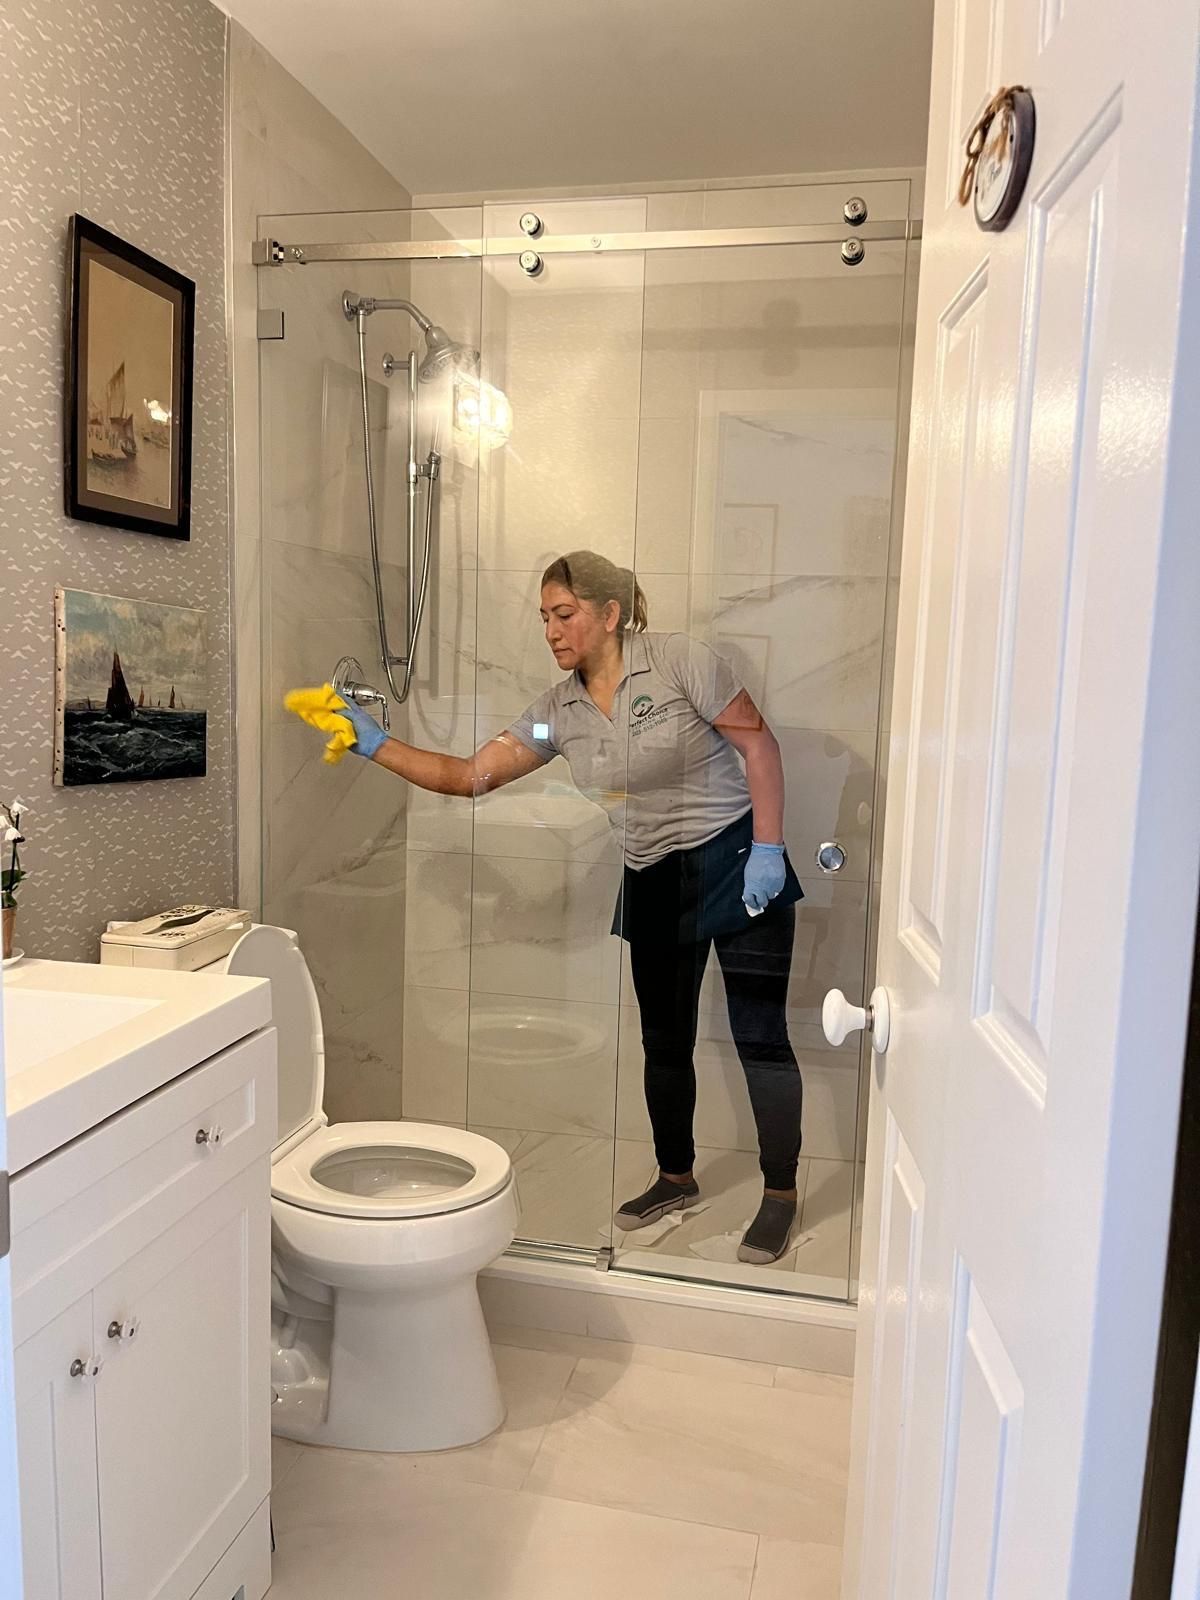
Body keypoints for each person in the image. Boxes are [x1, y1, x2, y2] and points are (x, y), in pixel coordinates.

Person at [303, 550, 805, 1264]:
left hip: (735, 858)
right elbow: (470, 776)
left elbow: (758, 746)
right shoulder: (556, 717)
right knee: (664, 1041)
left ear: (610, 613)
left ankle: (780, 1192)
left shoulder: (679, 663)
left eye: (564, 614)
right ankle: (676, 1177)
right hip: (653, 876)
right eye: (544, 617)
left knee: (760, 1036)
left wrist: (768, 847)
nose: (550, 631)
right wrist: (373, 742)